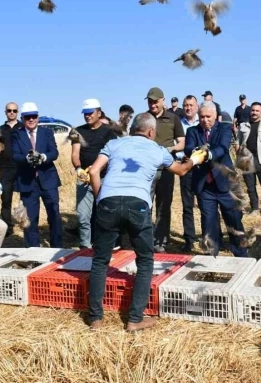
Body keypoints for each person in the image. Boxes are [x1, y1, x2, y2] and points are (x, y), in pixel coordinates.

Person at [86, 113, 207, 332]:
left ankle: (96, 319)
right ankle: (134, 319)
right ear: (151, 132)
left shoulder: (113, 144)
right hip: (137, 204)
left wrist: (99, 198)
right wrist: (196, 158)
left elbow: (94, 171)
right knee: (144, 261)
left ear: (133, 128)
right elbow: (180, 170)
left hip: (108, 202)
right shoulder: (157, 149)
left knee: (100, 260)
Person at [185, 101, 249, 257]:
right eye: (201, 116)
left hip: (225, 184)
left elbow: (222, 148)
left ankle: (241, 254)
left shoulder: (224, 128)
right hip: (204, 186)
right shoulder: (193, 131)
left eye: (208, 116)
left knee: (233, 219)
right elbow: (188, 147)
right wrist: (196, 152)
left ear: (215, 116)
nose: (205, 120)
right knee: (209, 223)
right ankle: (211, 257)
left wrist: (207, 154)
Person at [11, 102, 63, 248]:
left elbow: (54, 152)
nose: (31, 119)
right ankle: (32, 253)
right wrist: (27, 158)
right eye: (28, 117)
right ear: (22, 118)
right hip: (27, 183)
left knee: (54, 216)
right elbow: (15, 155)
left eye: (33, 116)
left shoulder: (47, 132)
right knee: (30, 219)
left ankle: (57, 250)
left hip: (48, 180)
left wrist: (43, 157)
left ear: (38, 117)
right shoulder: (17, 134)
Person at [70, 98, 118, 249]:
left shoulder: (109, 132)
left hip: (104, 178)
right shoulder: (77, 131)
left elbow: (113, 155)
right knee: (83, 215)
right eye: (85, 113)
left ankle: (104, 244)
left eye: (90, 113)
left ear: (99, 112)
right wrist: (78, 169)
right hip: (84, 178)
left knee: (105, 213)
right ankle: (85, 246)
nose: (87, 116)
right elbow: (75, 154)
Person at [145, 87, 185, 253]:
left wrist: (171, 149)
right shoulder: (144, 118)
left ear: (163, 100)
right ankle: (144, 239)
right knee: (145, 204)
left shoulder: (173, 118)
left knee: (164, 205)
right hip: (147, 169)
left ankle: (160, 241)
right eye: (150, 101)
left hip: (167, 168)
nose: (153, 104)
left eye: (155, 101)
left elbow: (182, 142)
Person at [235, 102, 261, 218]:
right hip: (246, 160)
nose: (254, 112)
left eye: (257, 111)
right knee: (250, 186)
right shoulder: (243, 125)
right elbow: (237, 141)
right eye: (253, 110)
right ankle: (255, 209)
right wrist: (238, 155)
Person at [0, 102, 22, 237]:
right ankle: (7, 228)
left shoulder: (23, 127)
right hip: (5, 167)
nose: (12, 113)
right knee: (6, 199)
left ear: (18, 112)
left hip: (22, 166)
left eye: (14, 111)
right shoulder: (0, 130)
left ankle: (25, 223)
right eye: (9, 110)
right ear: (5, 112)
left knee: (25, 197)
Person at [178, 95, 200, 252]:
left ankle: (212, 236)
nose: (188, 108)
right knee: (187, 205)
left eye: (191, 105)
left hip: (203, 169)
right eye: (186, 105)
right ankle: (189, 240)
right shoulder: (179, 125)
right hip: (185, 167)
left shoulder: (205, 121)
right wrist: (182, 156)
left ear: (196, 106)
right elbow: (176, 146)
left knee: (208, 204)